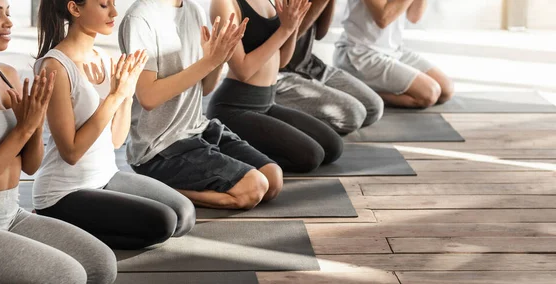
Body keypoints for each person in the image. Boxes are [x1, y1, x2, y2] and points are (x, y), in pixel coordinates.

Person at [0, 1, 117, 283]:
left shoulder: (9, 76)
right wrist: (24, 128)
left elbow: (31, 166)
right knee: (68, 275)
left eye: (7, 12)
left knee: (101, 264)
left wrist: (34, 124)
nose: (8, 22)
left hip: (11, 215)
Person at [33, 0, 196, 250]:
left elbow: (116, 140)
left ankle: (81, 228)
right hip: (63, 192)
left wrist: (127, 93)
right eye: (103, 5)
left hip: (106, 176)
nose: (114, 12)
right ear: (75, 9)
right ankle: (56, 227)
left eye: (112, 3)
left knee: (184, 215)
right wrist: (114, 97)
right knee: (163, 222)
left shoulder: (106, 60)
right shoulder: (55, 67)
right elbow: (71, 152)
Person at [119, 0, 284, 210]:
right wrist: (209, 62)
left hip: (198, 129)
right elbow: (148, 97)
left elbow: (204, 89)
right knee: (253, 189)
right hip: (160, 148)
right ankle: (151, 188)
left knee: (273, 179)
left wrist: (219, 58)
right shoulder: (140, 18)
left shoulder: (193, 10)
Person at [207, 0, 344, 173]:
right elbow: (243, 70)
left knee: (333, 147)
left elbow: (282, 60)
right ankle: (225, 149)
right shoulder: (224, 4)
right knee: (310, 156)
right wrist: (285, 29)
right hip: (233, 109)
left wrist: (293, 25)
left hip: (267, 104)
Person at [277, 0, 384, 134]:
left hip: (307, 64)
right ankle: (270, 114)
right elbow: (284, 46)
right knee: (353, 115)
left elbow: (320, 33)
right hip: (280, 71)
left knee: (373, 108)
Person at [334, 0, 454, 108]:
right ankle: (361, 92)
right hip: (360, 53)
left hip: (394, 50)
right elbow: (383, 18)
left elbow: (414, 17)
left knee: (446, 90)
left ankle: (365, 89)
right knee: (429, 94)